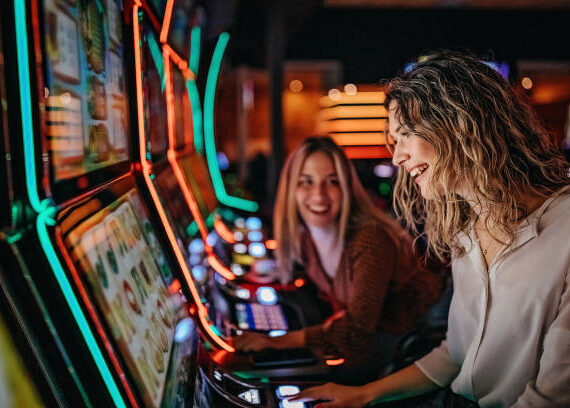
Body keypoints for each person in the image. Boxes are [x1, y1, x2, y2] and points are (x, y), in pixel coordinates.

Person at [290, 51, 570, 407]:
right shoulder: (465, 229)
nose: (396, 157)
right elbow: (456, 354)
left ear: (460, 123)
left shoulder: (564, 232)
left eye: (406, 134)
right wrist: (363, 396)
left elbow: (551, 400)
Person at [233, 137, 444, 375]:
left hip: (420, 347)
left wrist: (277, 341)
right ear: (291, 189)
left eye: (332, 181)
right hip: (382, 343)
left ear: (346, 188)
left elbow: (356, 333)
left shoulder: (369, 240)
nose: (319, 194)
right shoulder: (304, 241)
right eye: (306, 182)